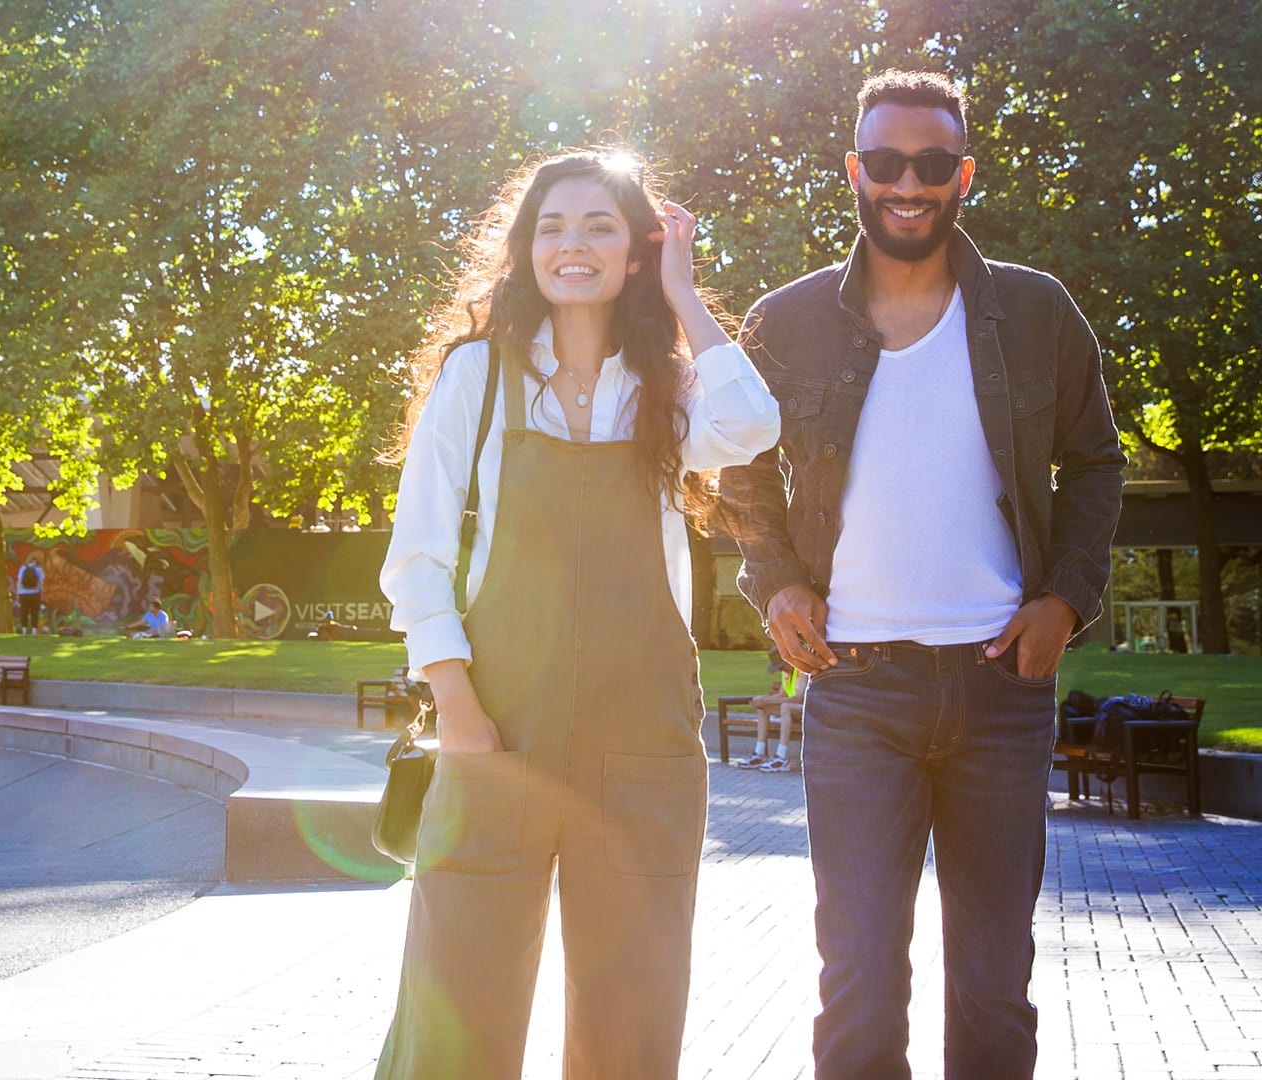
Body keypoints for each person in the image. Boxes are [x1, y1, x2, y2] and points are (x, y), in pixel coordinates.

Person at [718, 71, 1125, 1079]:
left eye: (932, 165)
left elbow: (1098, 461)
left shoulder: (1037, 312)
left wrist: (1066, 599)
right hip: (856, 689)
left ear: (962, 175)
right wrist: (772, 580)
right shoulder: (788, 321)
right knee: (857, 982)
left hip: (1002, 688)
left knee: (992, 986)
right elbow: (737, 463)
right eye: (887, 162)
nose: (909, 183)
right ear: (855, 171)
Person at [375, 148, 780, 1078]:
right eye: (551, 227)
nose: (574, 245)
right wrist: (462, 714)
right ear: (525, 252)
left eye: (600, 226)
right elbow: (417, 561)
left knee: (632, 1018)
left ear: (634, 253)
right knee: (457, 1010)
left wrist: (685, 293)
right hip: (496, 726)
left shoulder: (668, 389)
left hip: (644, 740)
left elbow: (755, 425)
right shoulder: (476, 379)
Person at [735, 646, 804, 772]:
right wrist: (763, 700)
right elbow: (781, 695)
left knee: (785, 707)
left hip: (807, 710)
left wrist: (769, 700)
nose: (781, 670)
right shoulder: (786, 673)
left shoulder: (802, 671)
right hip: (791, 710)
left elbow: (798, 698)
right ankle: (759, 753)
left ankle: (781, 757)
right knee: (763, 708)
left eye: (781, 666)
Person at [14, 553, 45, 635]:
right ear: (35, 562)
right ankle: (34, 631)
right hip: (35, 593)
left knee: (24, 611)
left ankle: (24, 631)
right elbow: (41, 583)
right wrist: (41, 591)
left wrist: (18, 592)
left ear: (27, 561)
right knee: (35, 612)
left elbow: (19, 581)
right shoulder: (38, 570)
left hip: (23, 594)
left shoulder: (23, 569)